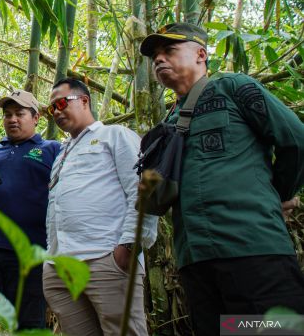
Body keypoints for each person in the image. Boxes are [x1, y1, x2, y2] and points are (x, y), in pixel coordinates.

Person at [140, 22, 304, 334]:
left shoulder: (233, 88)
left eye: (169, 50)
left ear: (201, 54)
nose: (159, 59)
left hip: (251, 250)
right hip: (196, 260)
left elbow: (296, 140)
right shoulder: (170, 119)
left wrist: (278, 196)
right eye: (155, 56)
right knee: (223, 330)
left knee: (273, 329)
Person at [43, 78, 158, 336]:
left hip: (104, 258)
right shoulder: (61, 154)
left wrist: (129, 246)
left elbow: (143, 191)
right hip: (61, 266)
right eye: (52, 109)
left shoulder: (115, 135)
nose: (57, 111)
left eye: (62, 103)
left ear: (84, 100)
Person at [0, 90, 62, 330]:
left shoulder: (52, 149)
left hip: (31, 253)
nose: (12, 119)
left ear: (36, 117)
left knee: (29, 326)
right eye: (7, 114)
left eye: (19, 113)